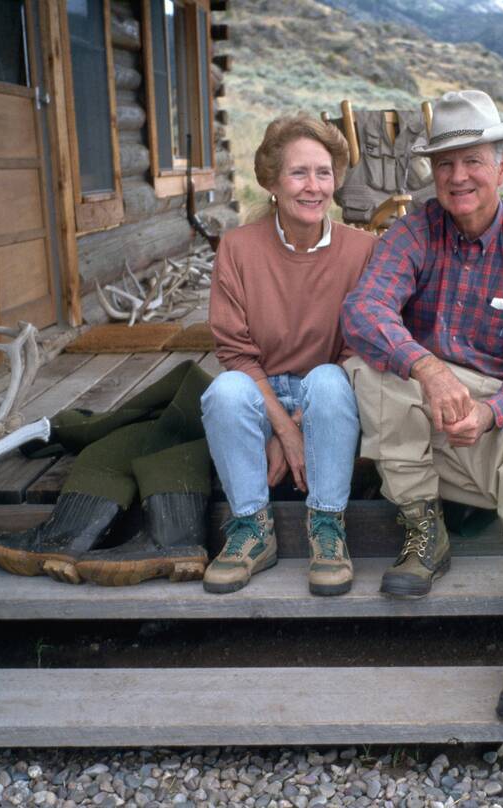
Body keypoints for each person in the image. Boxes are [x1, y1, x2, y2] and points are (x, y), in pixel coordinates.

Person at [341, 90, 503, 720]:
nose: (458, 176)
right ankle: (425, 528)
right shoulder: (414, 231)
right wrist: (425, 367)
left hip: (502, 409)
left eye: (473, 160)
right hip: (433, 407)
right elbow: (363, 311)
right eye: (445, 163)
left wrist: (493, 412)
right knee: (368, 370)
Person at [201, 114, 377, 596]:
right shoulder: (237, 248)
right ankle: (251, 529)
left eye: (324, 173)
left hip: (330, 398)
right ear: (272, 182)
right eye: (299, 173)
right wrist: (284, 428)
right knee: (225, 391)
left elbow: (357, 349)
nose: (313, 186)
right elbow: (235, 353)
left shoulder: (362, 250)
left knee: (329, 379)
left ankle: (327, 525)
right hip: (261, 393)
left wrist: (298, 426)